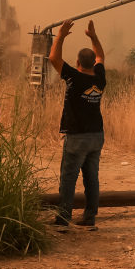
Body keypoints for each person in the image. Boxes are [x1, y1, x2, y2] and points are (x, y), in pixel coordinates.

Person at [49, 18, 106, 230]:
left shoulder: (74, 77)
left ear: (78, 63)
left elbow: (54, 57)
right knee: (92, 178)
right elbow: (100, 55)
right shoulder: (99, 78)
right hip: (96, 136)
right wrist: (93, 36)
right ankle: (90, 216)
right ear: (93, 64)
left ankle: (63, 218)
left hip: (77, 137)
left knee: (68, 178)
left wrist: (61, 34)